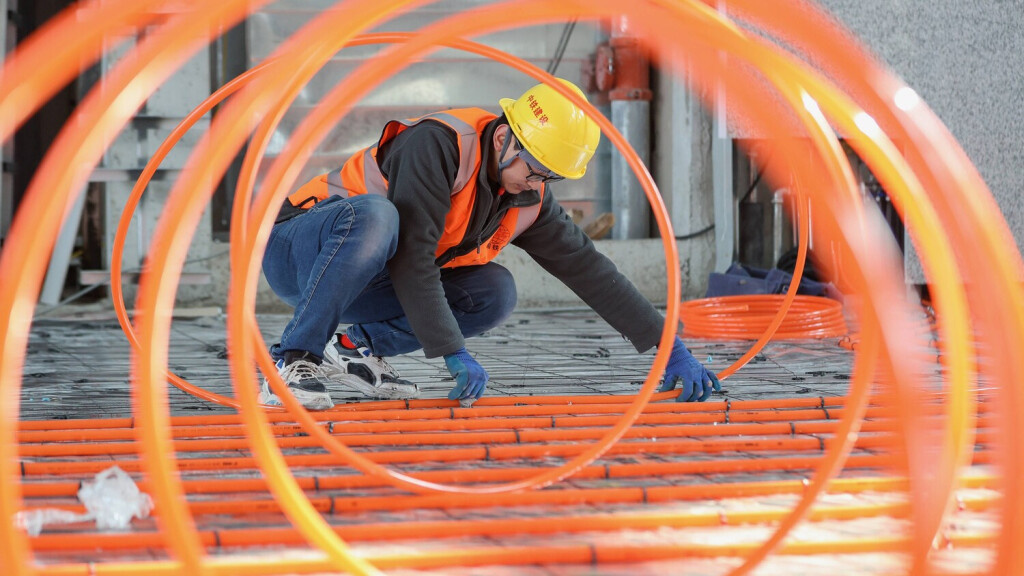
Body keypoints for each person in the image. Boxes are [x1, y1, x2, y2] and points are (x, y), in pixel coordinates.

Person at [260, 78, 720, 410]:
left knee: (494, 292)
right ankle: (295, 358)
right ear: (505, 137)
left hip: (366, 279)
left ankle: (355, 344)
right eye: (534, 168)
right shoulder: (439, 146)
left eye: (549, 176)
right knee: (379, 216)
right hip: (301, 251)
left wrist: (668, 348)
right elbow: (414, 259)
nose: (537, 182)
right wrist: (452, 352)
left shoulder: (527, 195)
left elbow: (589, 269)